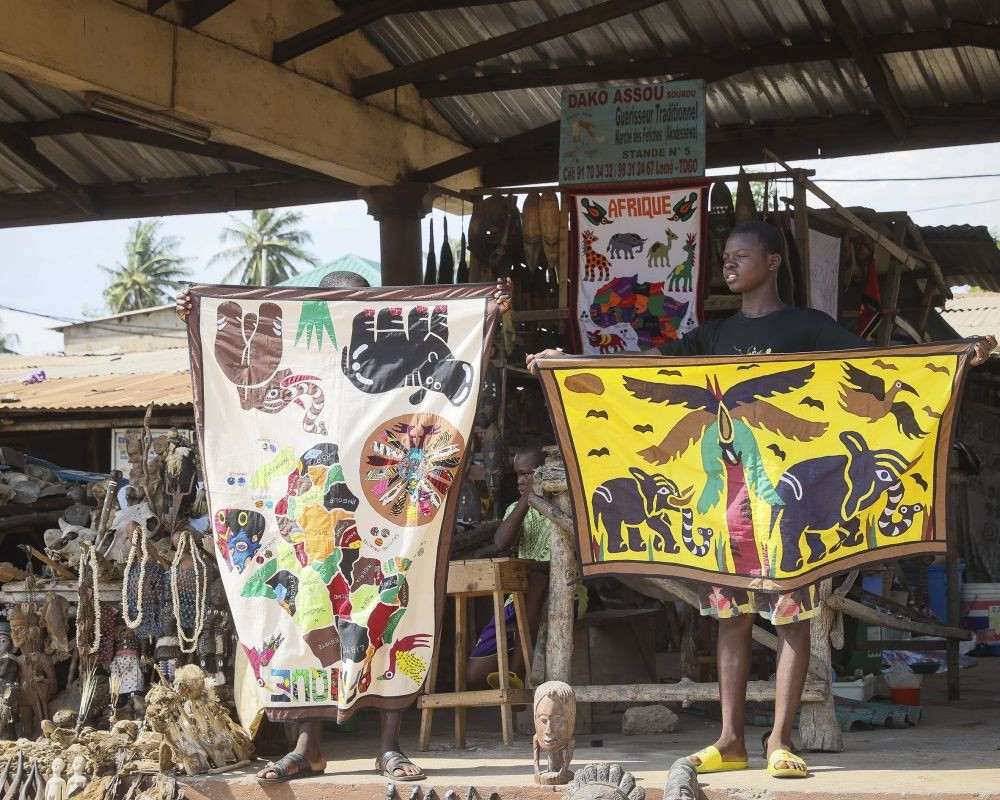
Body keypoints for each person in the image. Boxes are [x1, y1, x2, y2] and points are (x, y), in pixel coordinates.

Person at [527, 220, 996, 779]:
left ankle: (777, 739)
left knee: (794, 620)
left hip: (788, 510)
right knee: (731, 620)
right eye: (725, 256)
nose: (729, 264)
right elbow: (641, 371)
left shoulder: (806, 326)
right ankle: (729, 740)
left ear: (772, 262)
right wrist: (569, 365)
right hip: (729, 508)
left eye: (740, 255)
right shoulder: (712, 336)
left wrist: (959, 355)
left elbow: (878, 365)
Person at [176, 272, 512, 783]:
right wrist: (198, 318)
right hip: (311, 520)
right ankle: (307, 748)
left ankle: (388, 749)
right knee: (303, 619)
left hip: (377, 513)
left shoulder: (388, 345)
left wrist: (486, 310)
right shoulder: (299, 353)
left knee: (392, 602)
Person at [465, 445, 585, 690]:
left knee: (538, 581)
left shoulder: (569, 506)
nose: (522, 480)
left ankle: (517, 671)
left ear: (545, 473)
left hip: (568, 594)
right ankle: (515, 671)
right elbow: (500, 543)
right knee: (474, 676)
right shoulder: (516, 510)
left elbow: (573, 563)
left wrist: (533, 569)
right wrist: (526, 500)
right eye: (519, 474)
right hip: (519, 599)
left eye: (529, 474)